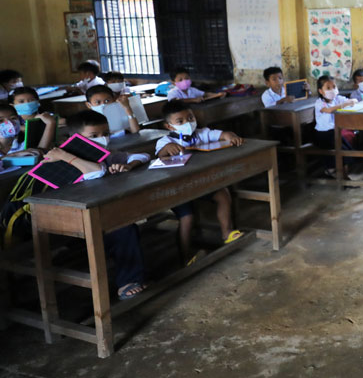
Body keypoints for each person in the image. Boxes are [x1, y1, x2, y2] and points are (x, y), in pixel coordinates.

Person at [41, 110, 148, 300]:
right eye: (94, 136)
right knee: (124, 228)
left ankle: (131, 274)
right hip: (70, 225)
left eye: (105, 134)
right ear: (74, 138)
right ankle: (127, 281)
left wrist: (129, 165)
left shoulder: (104, 155)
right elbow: (96, 173)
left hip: (98, 217)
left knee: (125, 222)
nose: (102, 139)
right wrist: (66, 156)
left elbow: (142, 156)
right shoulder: (59, 161)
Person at [155, 100, 244, 261]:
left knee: (223, 194)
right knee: (187, 217)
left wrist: (230, 135)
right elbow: (161, 155)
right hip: (177, 189)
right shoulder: (166, 142)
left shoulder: (202, 133)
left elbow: (222, 134)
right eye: (180, 121)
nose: (188, 123)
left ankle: (227, 233)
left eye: (190, 118)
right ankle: (186, 257)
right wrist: (166, 151)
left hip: (199, 184)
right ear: (169, 126)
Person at [313, 76, 355, 175]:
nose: (332, 90)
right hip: (323, 134)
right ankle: (340, 174)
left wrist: (352, 101)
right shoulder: (319, 103)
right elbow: (329, 110)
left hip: (335, 132)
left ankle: (345, 174)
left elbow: (353, 101)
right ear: (321, 91)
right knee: (341, 151)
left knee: (348, 149)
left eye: (334, 87)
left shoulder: (337, 99)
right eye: (328, 88)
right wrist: (344, 105)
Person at [8, 87, 57, 151]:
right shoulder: (11, 123)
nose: (27, 104)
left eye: (31, 100)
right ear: (12, 105)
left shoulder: (46, 116)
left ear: (38, 102)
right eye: (21, 101)